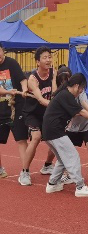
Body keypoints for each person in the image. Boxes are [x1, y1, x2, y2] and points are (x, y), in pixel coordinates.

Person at [42, 73, 88, 197]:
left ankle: (52, 184)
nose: (81, 92)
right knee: (72, 155)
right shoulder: (66, 95)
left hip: (49, 131)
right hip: (55, 131)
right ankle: (80, 186)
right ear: (76, 86)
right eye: (81, 88)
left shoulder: (63, 94)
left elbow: (81, 110)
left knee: (62, 159)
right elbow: (81, 112)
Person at [21, 46, 57, 185]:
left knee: (57, 137)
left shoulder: (53, 72)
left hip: (47, 113)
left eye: (49, 57)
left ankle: (47, 165)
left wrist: (54, 79)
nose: (48, 60)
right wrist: (56, 106)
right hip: (33, 113)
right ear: (37, 62)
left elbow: (54, 94)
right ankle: (24, 172)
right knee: (36, 137)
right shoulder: (32, 79)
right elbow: (41, 100)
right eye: (44, 58)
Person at [0, 43, 29, 182]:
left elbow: (22, 79)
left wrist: (24, 89)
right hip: (1, 108)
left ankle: (25, 171)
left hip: (16, 107)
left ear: (3, 50)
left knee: (21, 140)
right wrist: (7, 91)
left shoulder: (11, 63)